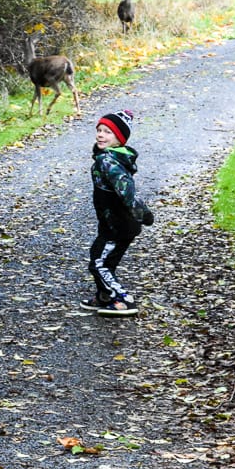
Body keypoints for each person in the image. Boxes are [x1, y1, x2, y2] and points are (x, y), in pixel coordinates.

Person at [80, 109, 154, 317]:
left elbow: (127, 194)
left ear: (119, 140)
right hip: (113, 223)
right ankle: (104, 296)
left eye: (107, 132)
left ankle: (122, 299)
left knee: (98, 262)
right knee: (104, 259)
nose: (100, 135)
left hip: (118, 224)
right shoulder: (107, 158)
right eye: (99, 130)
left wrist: (144, 214)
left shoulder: (108, 162)